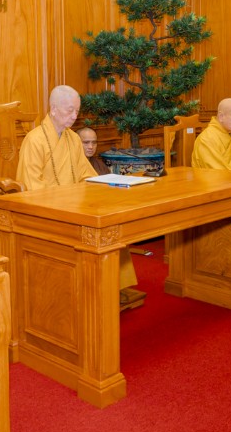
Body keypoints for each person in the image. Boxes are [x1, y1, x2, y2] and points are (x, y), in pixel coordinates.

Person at [17, 86, 144, 309]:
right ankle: (79, 294)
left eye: (77, 111)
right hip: (50, 209)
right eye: (70, 110)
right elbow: (31, 186)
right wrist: (64, 202)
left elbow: (86, 175)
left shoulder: (73, 139)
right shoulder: (34, 140)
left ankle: (110, 287)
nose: (75, 116)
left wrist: (108, 185)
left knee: (110, 225)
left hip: (75, 205)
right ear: (53, 109)